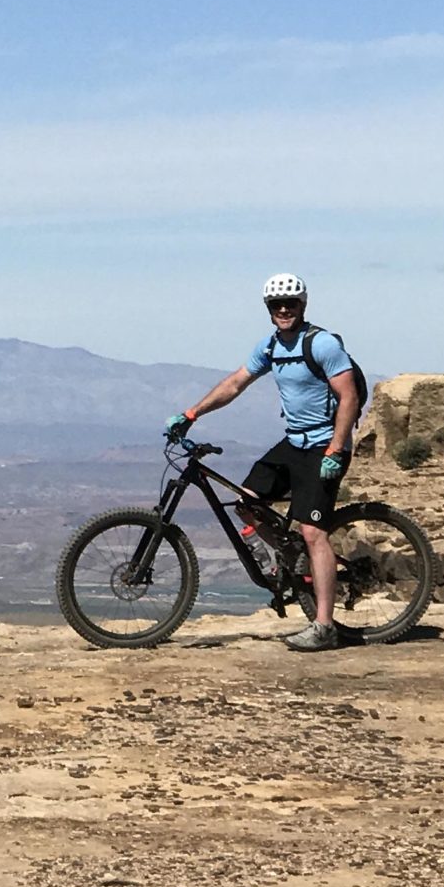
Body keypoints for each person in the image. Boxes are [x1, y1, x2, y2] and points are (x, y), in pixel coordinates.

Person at [171, 273, 364, 652]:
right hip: (293, 443)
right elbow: (235, 384)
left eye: (290, 303)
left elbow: (350, 398)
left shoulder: (321, 344)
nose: (284, 310)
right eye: (277, 305)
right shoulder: (272, 347)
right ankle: (291, 557)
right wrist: (192, 413)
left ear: (302, 305)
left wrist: (336, 449)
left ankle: (324, 626)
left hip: (324, 444)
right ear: (268, 309)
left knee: (313, 532)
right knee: (245, 502)